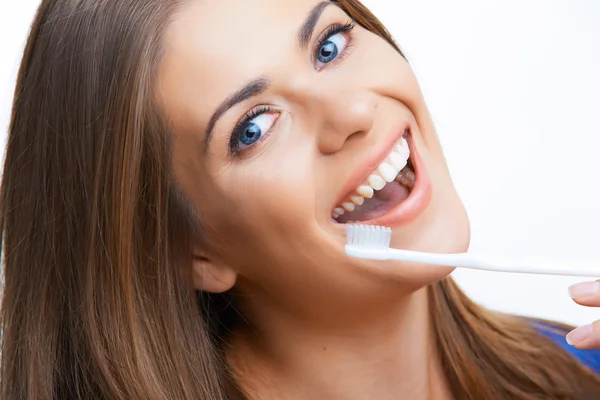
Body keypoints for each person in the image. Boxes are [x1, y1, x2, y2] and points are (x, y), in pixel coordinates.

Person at [1, 0, 599, 399]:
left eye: (330, 46)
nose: (354, 112)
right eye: (253, 128)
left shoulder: (578, 372)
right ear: (190, 252)